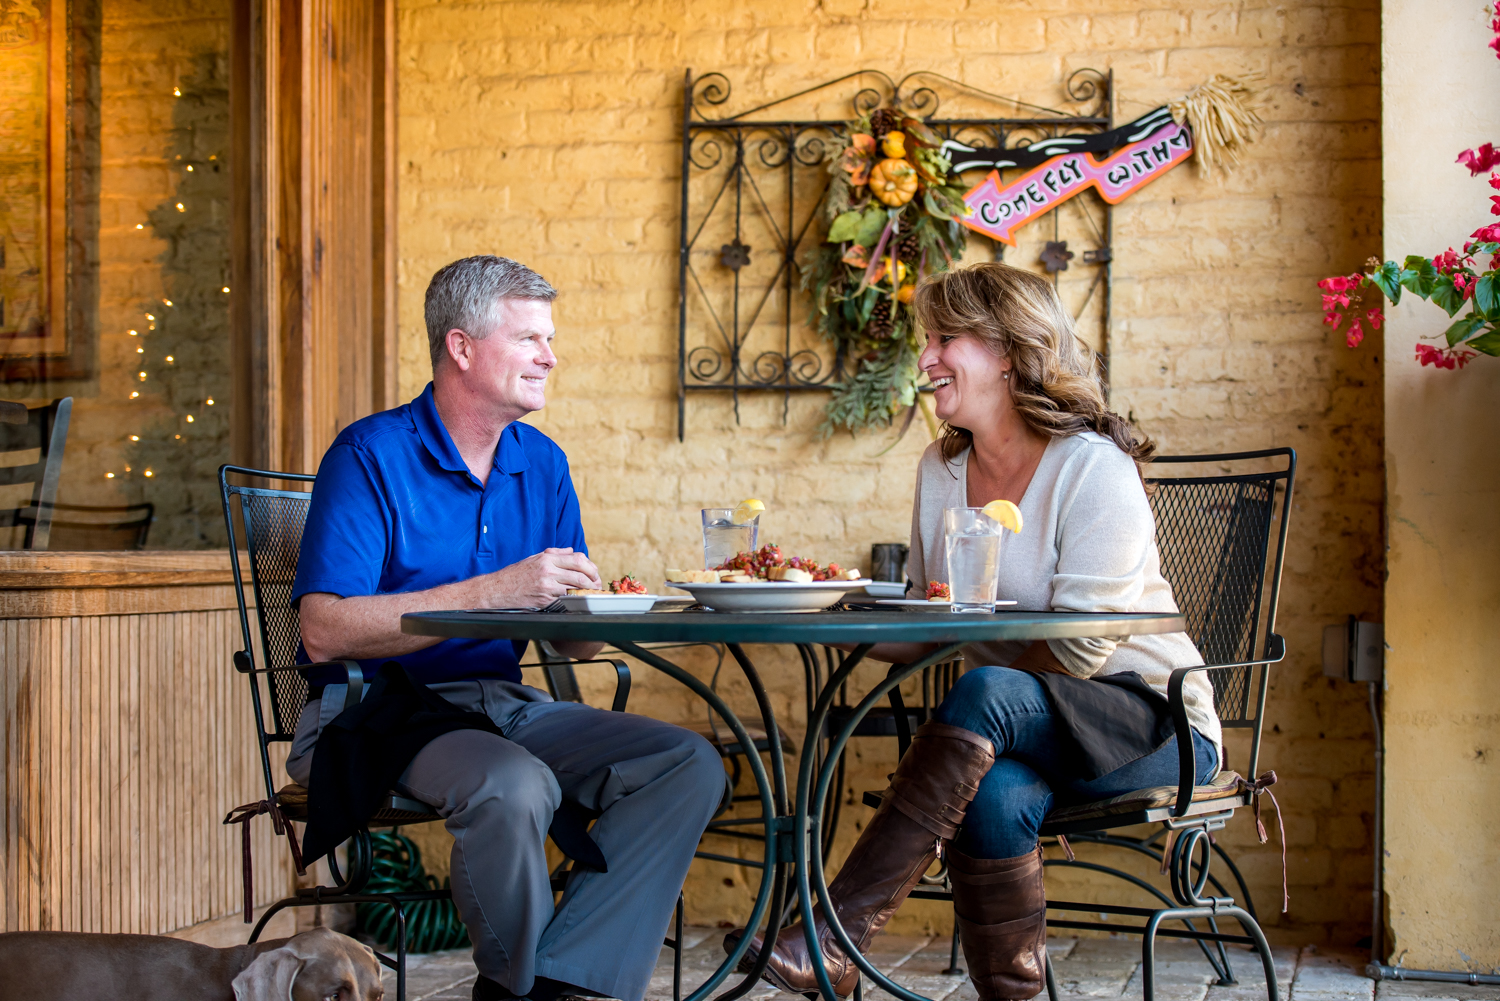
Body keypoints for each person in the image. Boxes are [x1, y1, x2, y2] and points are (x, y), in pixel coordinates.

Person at [733, 263, 1221, 1001]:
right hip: (1019, 731)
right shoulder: (941, 468)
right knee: (988, 796)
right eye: (927, 340)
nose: (925, 358)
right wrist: (823, 616)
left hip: (1152, 717)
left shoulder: (1094, 469)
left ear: (1007, 351)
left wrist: (982, 696)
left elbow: (1081, 647)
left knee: (987, 688)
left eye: (944, 338)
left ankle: (835, 931)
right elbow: (936, 627)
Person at [284, 255, 725, 1001]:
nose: (550, 356)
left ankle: (558, 981)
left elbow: (570, 642)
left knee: (689, 763)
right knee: (512, 785)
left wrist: (590, 610)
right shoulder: (369, 455)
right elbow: (323, 630)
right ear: (462, 348)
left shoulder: (541, 464)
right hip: (377, 710)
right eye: (529, 339)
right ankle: (517, 985)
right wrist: (499, 589)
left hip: (500, 702)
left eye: (548, 339)